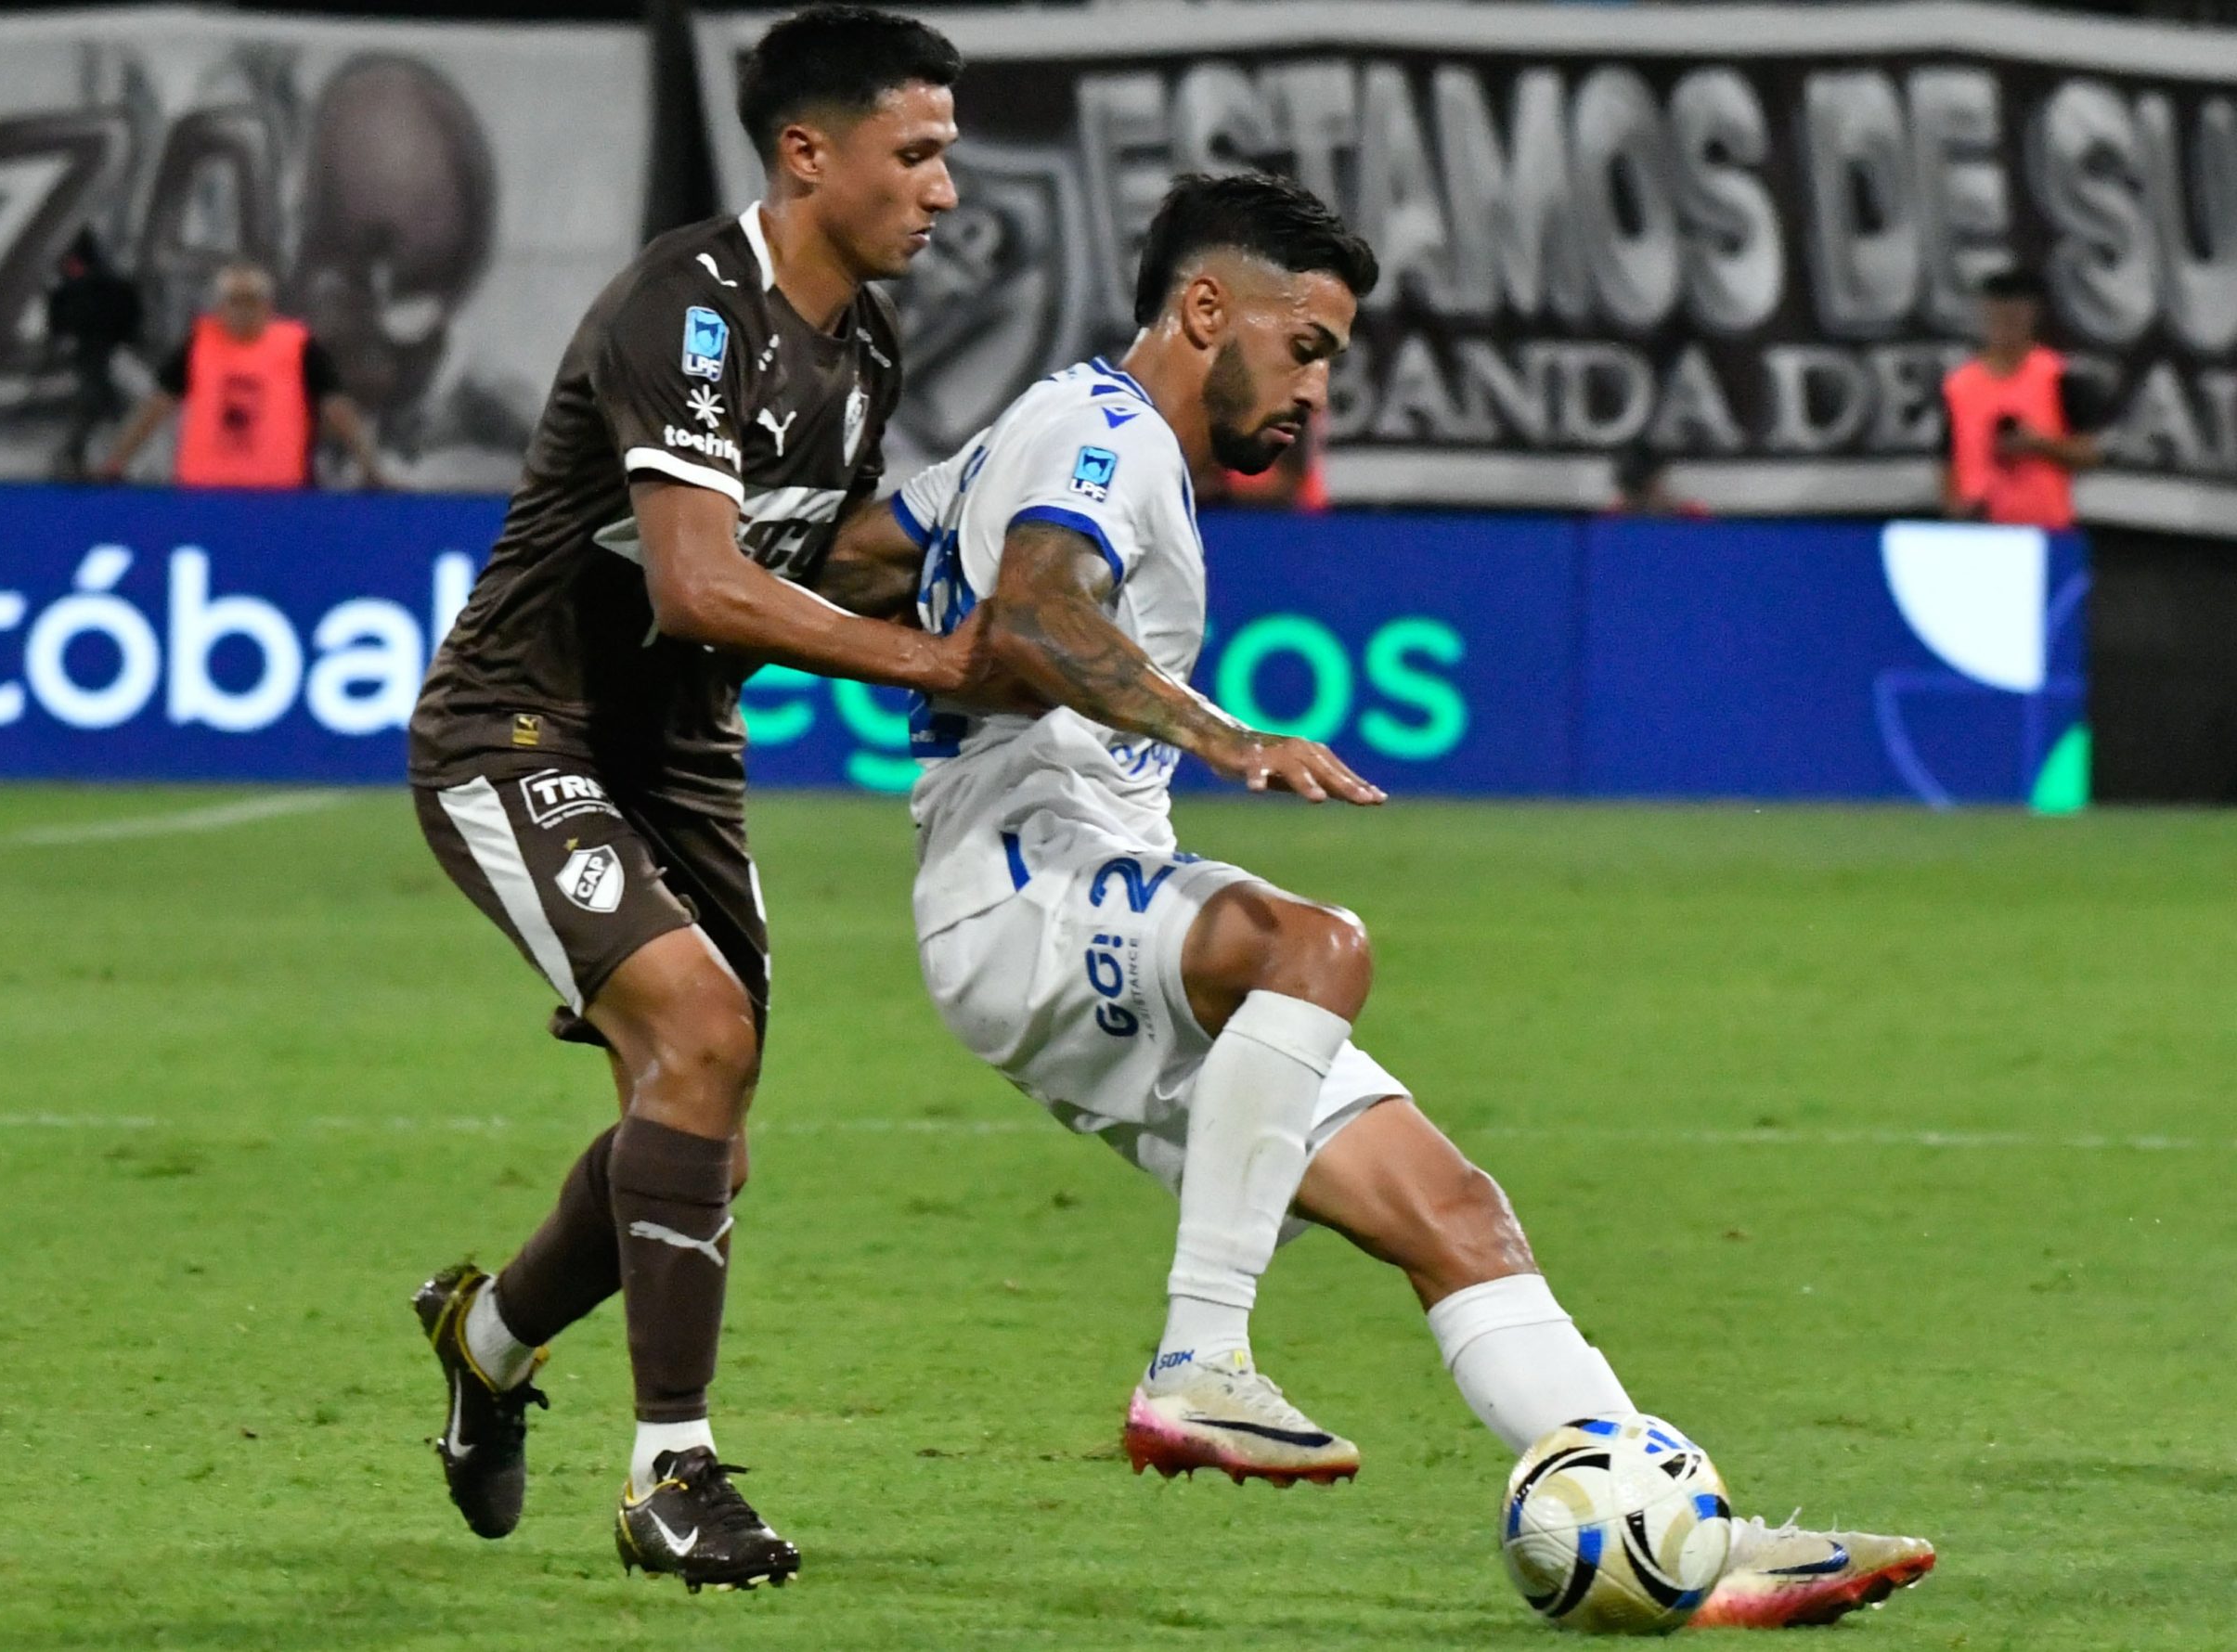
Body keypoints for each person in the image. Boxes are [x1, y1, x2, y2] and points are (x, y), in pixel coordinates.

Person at [822, 171, 1936, 1630]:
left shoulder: (1058, 432)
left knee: (1456, 1215)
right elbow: (1034, 609)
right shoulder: (1100, 430)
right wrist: (1228, 736)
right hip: (1026, 886)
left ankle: (1686, 1533)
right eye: (1308, 347)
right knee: (1313, 943)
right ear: (1205, 308)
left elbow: (855, 551)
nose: (1313, 389)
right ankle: (1197, 1364)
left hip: (1089, 910)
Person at [404, 4, 992, 1595]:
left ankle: (491, 1340)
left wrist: (1006, 539)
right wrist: (935, 657)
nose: (946, 188)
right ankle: (673, 1474)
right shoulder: (691, 310)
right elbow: (700, 582)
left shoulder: (861, 343)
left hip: (677, 762)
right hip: (522, 732)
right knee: (704, 1042)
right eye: (917, 152)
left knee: (701, 1143)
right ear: (810, 153)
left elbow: (832, 531)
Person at [97, 261, 387, 489]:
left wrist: (370, 468)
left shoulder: (299, 347)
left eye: (252, 300)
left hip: (279, 493)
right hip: (206, 490)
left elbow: (338, 410)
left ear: (268, 305)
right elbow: (155, 407)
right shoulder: (198, 346)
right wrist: (116, 463)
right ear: (219, 306)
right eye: (235, 300)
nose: (244, 310)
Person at [1938, 266, 2105, 529]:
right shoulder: (1959, 385)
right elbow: (1948, 461)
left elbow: (2089, 454)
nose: (2005, 321)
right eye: (1998, 312)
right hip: (1980, 530)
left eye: (2014, 313)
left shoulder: (2058, 376)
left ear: (2032, 315)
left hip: (2045, 529)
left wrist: (2039, 445)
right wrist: (1956, 510)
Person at [45, 228, 142, 481]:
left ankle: (84, 455)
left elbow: (61, 322)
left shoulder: (72, 287)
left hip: (95, 350)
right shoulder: (111, 284)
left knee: (98, 400)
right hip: (101, 350)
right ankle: (93, 455)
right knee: (100, 401)